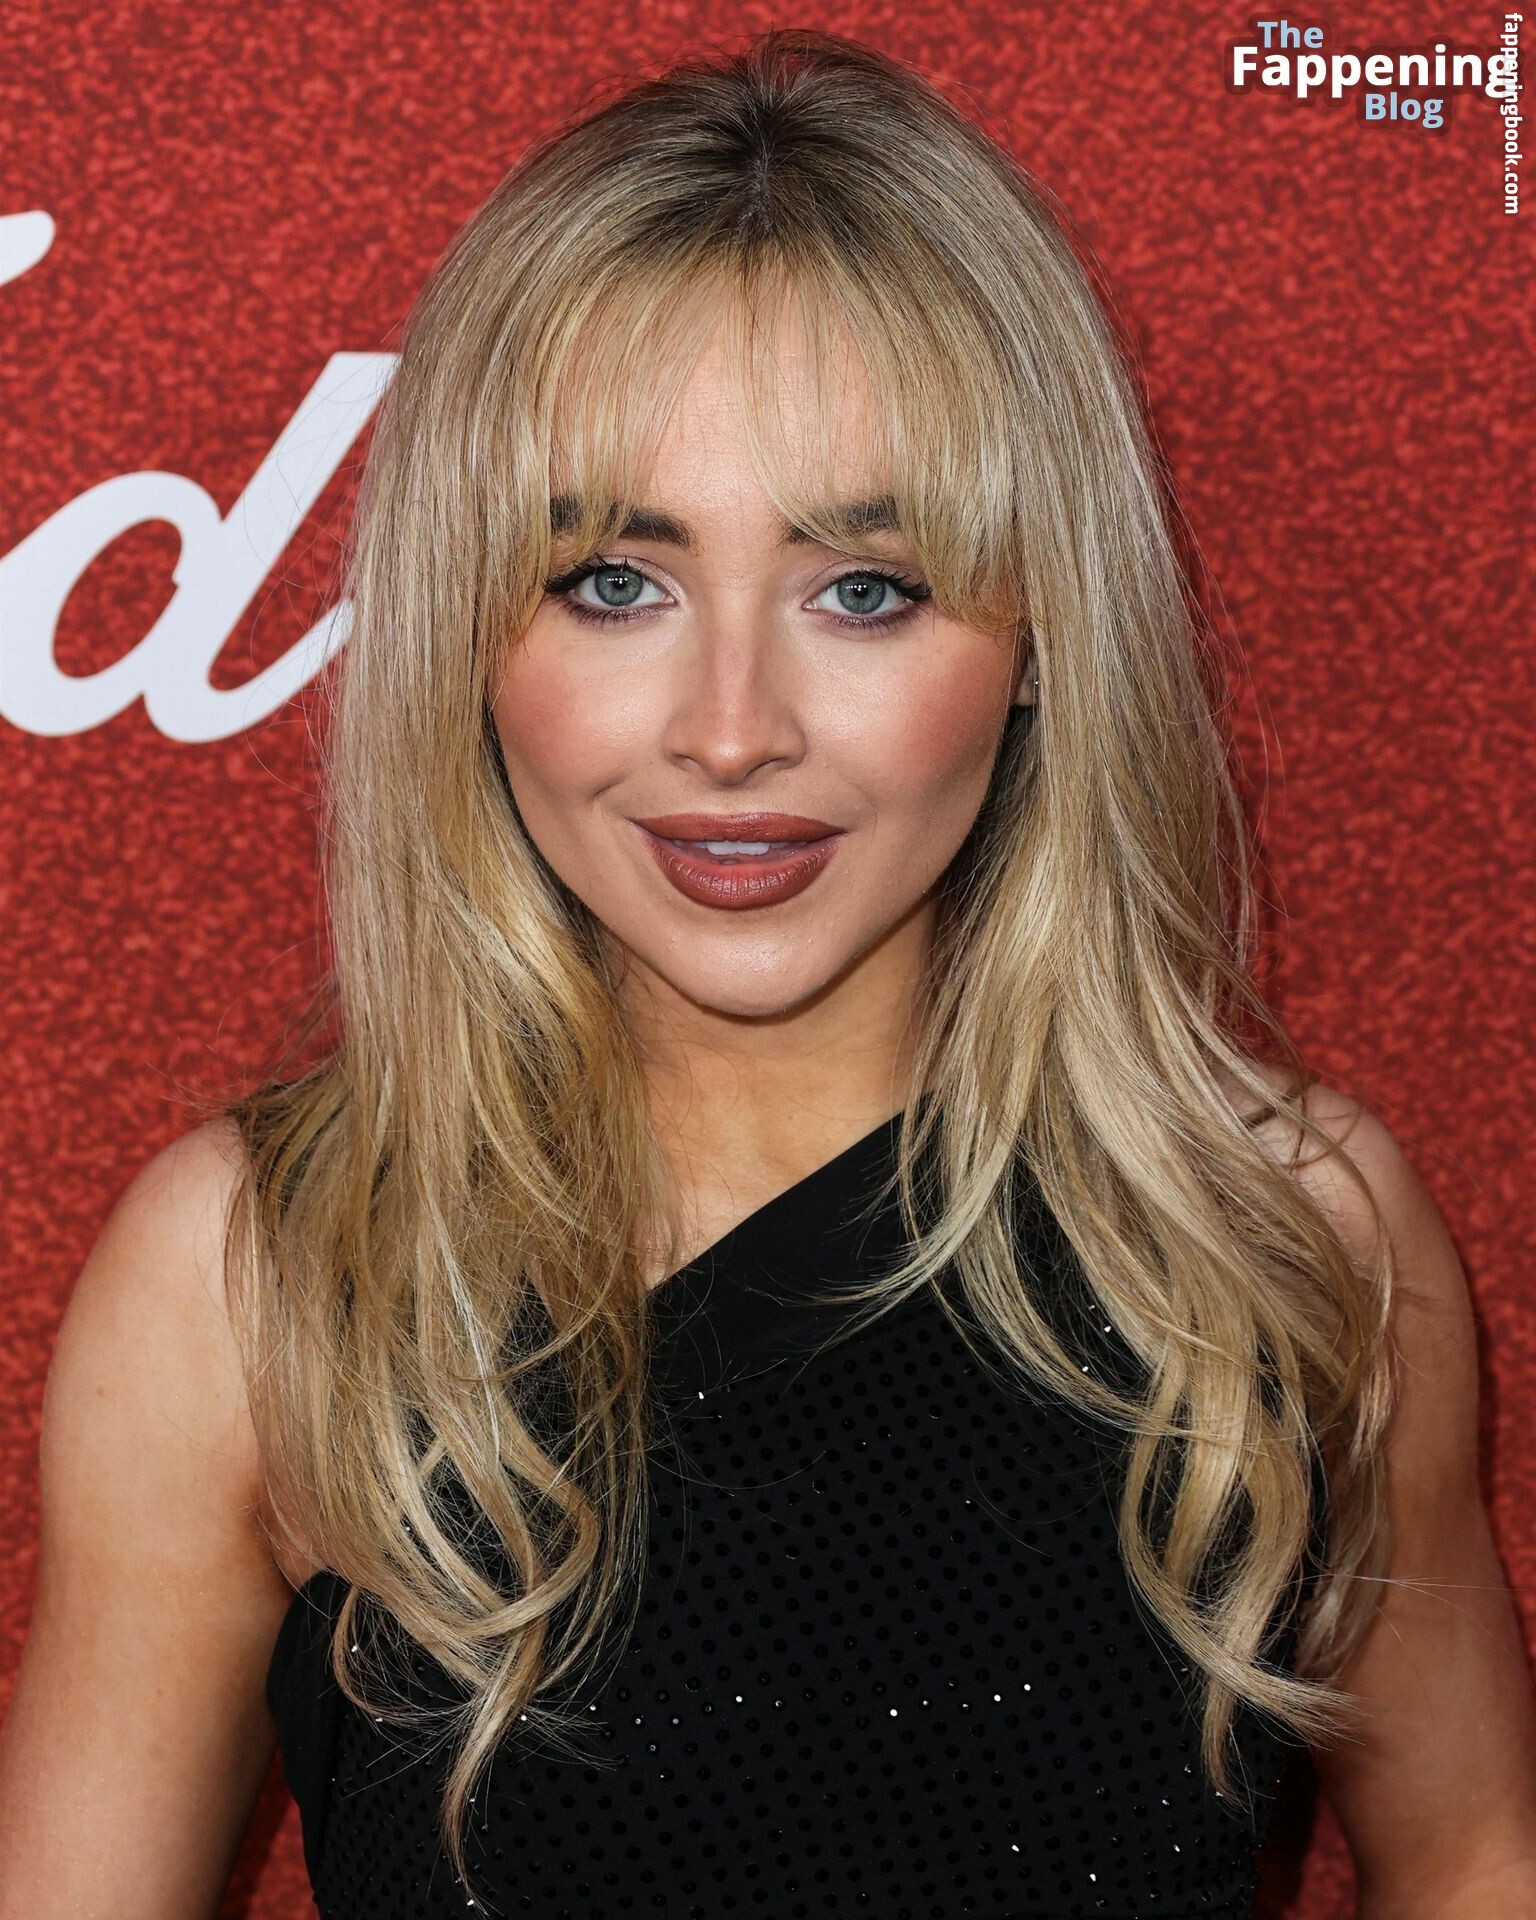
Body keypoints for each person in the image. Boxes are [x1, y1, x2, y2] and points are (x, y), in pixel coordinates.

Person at [3, 28, 1534, 1920]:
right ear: (467, 632)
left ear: (1042, 637)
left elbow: (1479, 1853)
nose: (732, 731)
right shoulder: (264, 1278)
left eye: (865, 587)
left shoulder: (1284, 1235)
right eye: (615, 583)